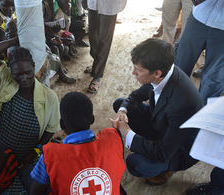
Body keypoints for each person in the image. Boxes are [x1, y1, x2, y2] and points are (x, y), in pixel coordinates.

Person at [112, 38, 203, 185]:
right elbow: (136, 95)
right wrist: (122, 111)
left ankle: (167, 170)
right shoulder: (163, 73)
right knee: (120, 104)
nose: (133, 72)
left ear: (156, 73)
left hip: (179, 148)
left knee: (135, 163)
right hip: (165, 125)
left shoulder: (185, 103)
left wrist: (127, 133)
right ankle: (151, 142)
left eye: (138, 70)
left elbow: (163, 153)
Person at [0, 37, 60, 194]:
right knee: (0, 187)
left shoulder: (49, 97)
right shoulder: (7, 80)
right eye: (17, 74)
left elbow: (51, 128)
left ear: (34, 67)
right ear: (10, 71)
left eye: (28, 72)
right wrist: (16, 39)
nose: (23, 78)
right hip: (2, 153)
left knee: (38, 187)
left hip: (27, 156)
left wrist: (35, 152)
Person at [30, 92, 126, 195]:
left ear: (62, 125)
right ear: (92, 120)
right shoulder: (114, 138)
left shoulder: (50, 155)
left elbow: (34, 192)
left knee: (30, 173)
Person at [174, 0, 224, 105]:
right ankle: (171, 106)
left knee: (214, 77)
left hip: (222, 28)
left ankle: (200, 115)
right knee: (179, 65)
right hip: (199, 16)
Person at [84, 0, 127, 93]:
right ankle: (97, 64)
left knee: (104, 39)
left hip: (109, 4)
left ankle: (97, 75)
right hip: (93, 3)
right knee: (93, 34)